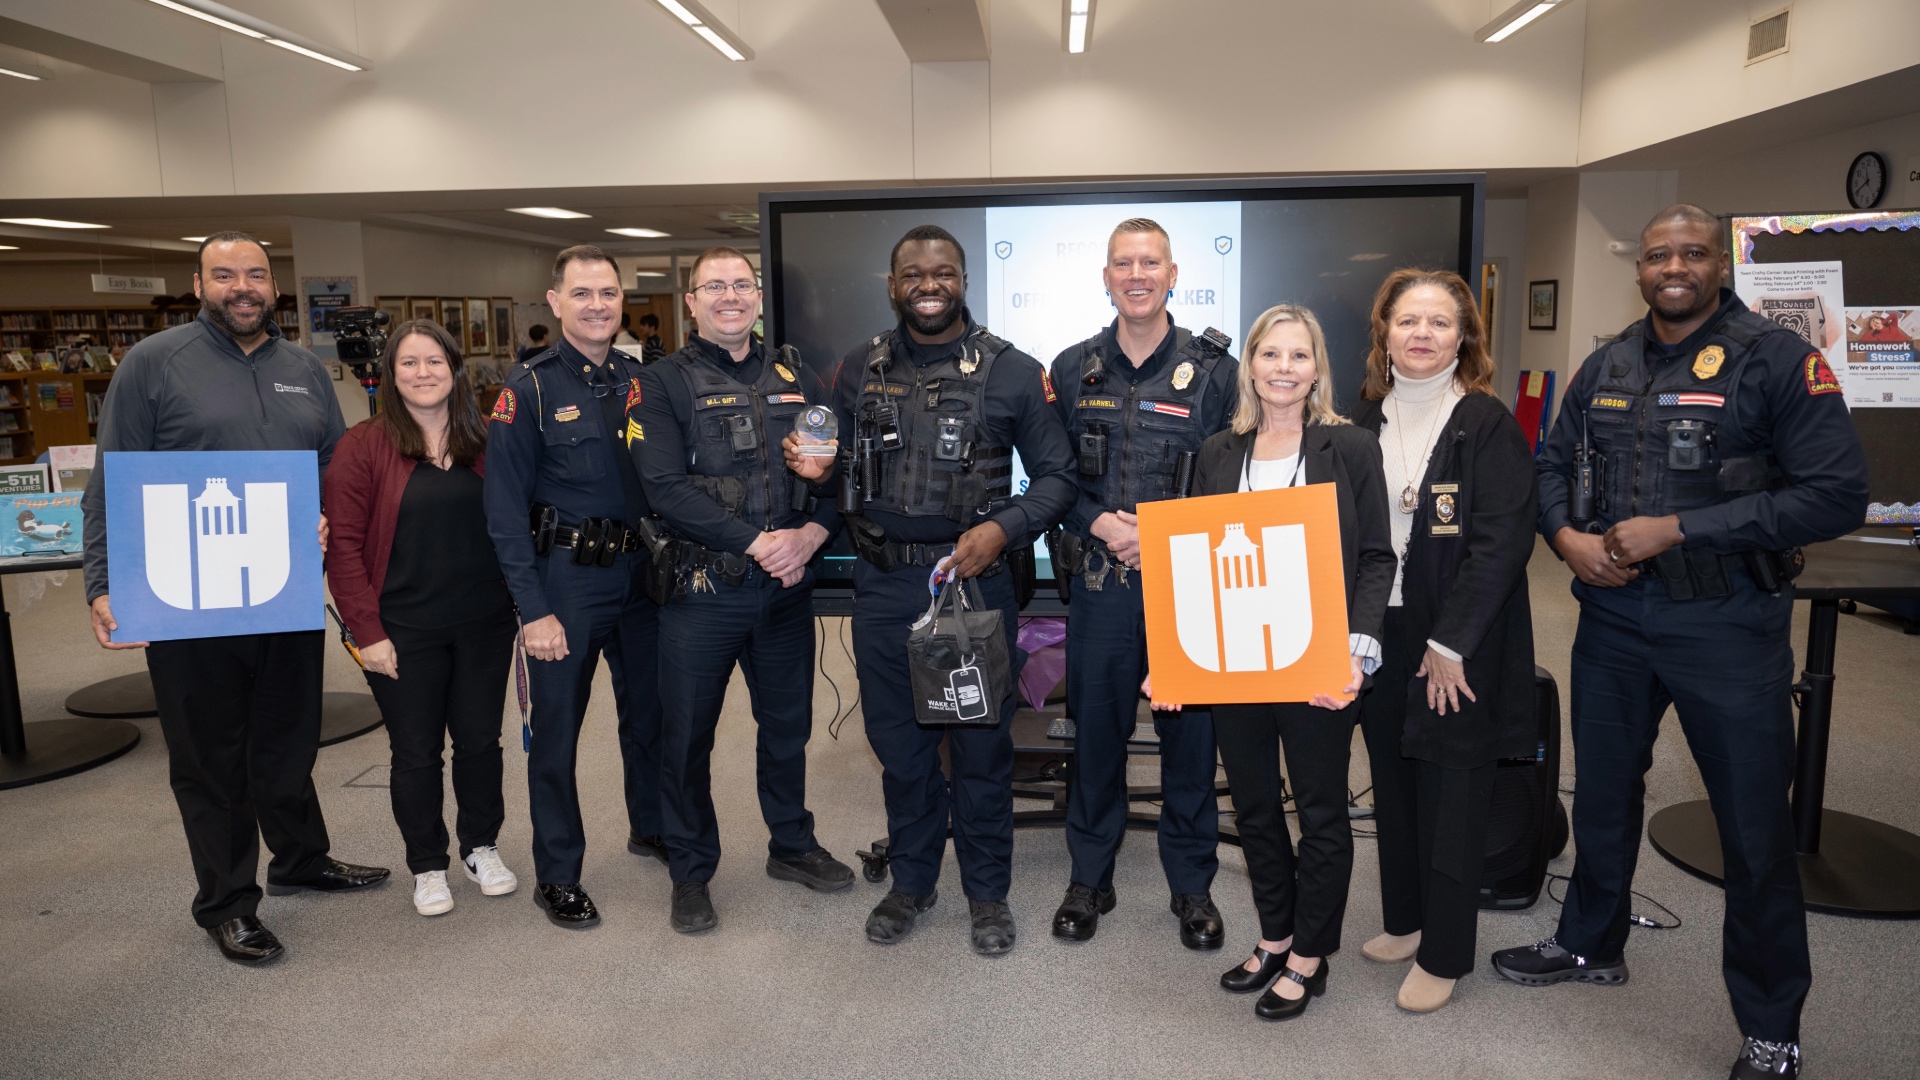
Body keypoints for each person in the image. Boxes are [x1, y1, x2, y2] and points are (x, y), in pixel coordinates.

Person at [1490, 204, 1868, 1080]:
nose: (1674, 266)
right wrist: (1566, 538)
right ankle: (1592, 942)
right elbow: (1550, 462)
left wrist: (1682, 529)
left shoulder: (1779, 362)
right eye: (1658, 253)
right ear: (1640, 268)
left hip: (1728, 625)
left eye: (1692, 253)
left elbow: (1836, 495)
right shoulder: (1608, 362)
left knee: (1751, 829)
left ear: (1718, 264)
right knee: (1605, 796)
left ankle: (1771, 1024)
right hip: (1616, 620)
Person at [82, 231, 389, 966]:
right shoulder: (153, 364)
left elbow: (331, 466)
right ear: (199, 284)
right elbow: (111, 480)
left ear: (273, 288)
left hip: (279, 591)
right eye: (225, 275)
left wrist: (329, 512)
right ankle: (226, 903)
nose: (242, 287)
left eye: (254, 274)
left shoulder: (303, 371)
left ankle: (300, 858)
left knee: (287, 738)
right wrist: (102, 584)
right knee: (210, 755)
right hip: (185, 600)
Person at [830, 224, 1076, 954]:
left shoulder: (1012, 370)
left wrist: (1004, 529)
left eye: (942, 272)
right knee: (900, 749)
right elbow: (830, 465)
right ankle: (911, 883)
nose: (927, 284)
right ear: (892, 283)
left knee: (978, 748)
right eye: (913, 272)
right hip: (883, 586)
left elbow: (1059, 477)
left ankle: (987, 893)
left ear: (963, 279)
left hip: (974, 586)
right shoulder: (854, 369)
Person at [631, 247, 852, 934]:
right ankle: (692, 871)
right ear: (690, 302)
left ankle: (791, 844)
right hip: (703, 594)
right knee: (687, 737)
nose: (730, 295)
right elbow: (662, 486)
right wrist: (760, 544)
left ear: (758, 298)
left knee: (787, 729)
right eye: (714, 286)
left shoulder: (798, 376)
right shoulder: (661, 383)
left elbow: (834, 473)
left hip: (784, 593)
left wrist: (812, 537)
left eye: (741, 285)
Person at [1187, 304, 1393, 1021]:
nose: (1283, 368)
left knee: (1321, 811)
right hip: (1236, 663)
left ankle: (1311, 953)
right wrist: (1177, 658)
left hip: (1319, 661)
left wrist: (1357, 655)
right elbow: (1196, 563)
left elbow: (1376, 559)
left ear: (1317, 369)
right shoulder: (1218, 452)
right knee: (1252, 806)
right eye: (1269, 354)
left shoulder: (1352, 448)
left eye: (1298, 356)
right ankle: (1275, 936)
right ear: (1250, 365)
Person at [1045, 217, 1239, 949]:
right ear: (1105, 277)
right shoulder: (1070, 367)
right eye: (1123, 263)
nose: (1137, 275)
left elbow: (1231, 483)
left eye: (1149, 262)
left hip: (1187, 585)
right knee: (1096, 739)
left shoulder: (1217, 371)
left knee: (1191, 740)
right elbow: (1056, 474)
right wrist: (1101, 525)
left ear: (1171, 273)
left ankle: (1191, 888)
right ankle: (1089, 879)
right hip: (1099, 585)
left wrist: (1158, 535)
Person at [1348, 269, 1537, 1013]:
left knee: (1451, 791)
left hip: (1456, 637)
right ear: (1384, 333)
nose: (1422, 334)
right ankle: (1406, 920)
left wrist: (1450, 642)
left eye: (1439, 323)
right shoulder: (1359, 421)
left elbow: (1501, 543)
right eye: (1407, 321)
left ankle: (1447, 951)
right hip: (1377, 630)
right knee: (1392, 779)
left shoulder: (1486, 423)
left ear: (1465, 338)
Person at [483, 245, 666, 930]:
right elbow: (501, 513)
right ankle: (557, 873)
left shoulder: (641, 380)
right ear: (555, 302)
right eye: (582, 293)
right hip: (565, 583)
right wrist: (533, 610)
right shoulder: (526, 389)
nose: (597, 306)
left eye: (609, 294)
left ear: (623, 302)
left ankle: (651, 826)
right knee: (555, 732)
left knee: (651, 717)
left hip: (642, 577)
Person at [324, 319, 520, 918]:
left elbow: (516, 524)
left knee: (481, 743)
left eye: (435, 361)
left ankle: (480, 846)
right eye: (409, 363)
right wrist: (367, 634)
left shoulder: (486, 440)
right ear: (390, 374)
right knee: (415, 753)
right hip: (402, 630)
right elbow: (345, 549)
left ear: (455, 369)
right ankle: (427, 864)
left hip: (485, 622)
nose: (423, 373)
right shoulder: (362, 447)